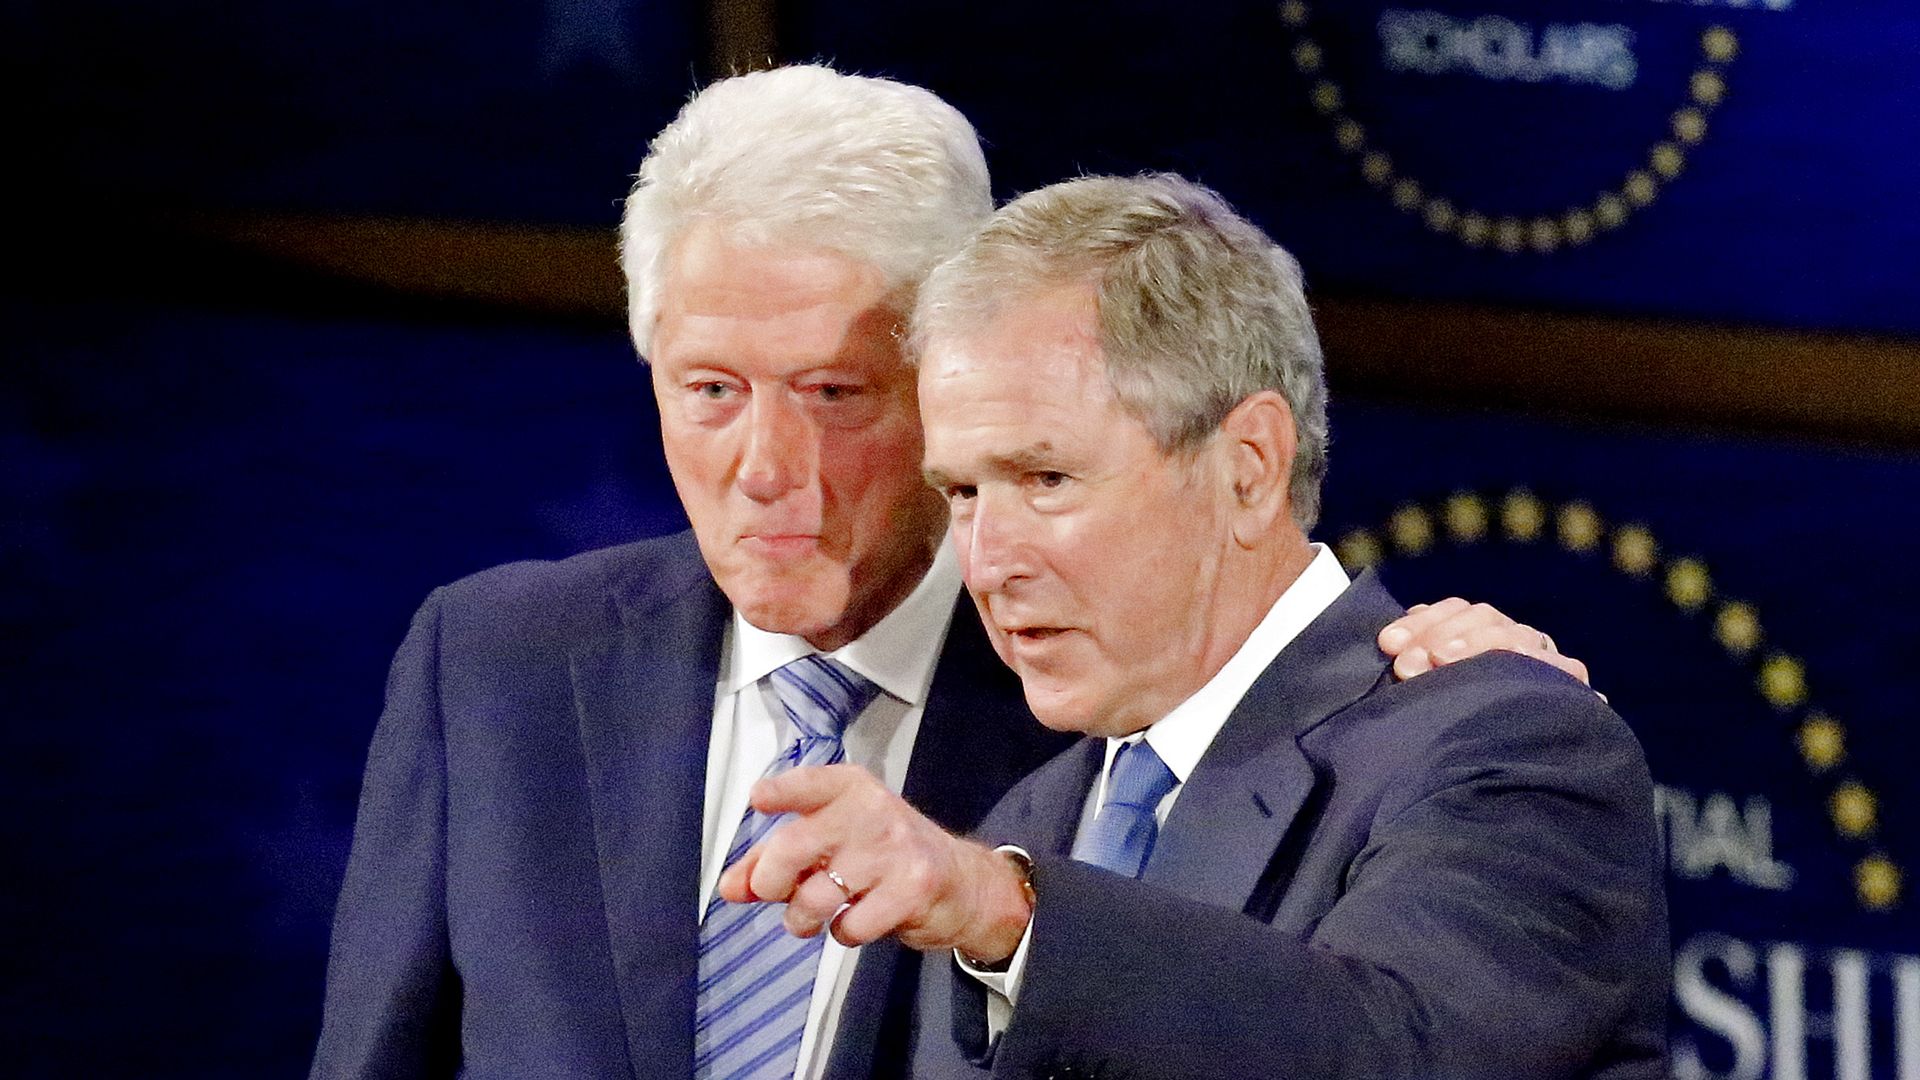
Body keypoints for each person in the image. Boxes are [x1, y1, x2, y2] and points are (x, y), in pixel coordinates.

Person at [310, 68, 1597, 1080]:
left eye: (833, 393)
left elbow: (1371, 1026)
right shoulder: (493, 665)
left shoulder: (1099, 724)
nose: (767, 467)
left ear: (956, 367)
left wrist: (994, 903)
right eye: (709, 391)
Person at [718, 173, 1667, 1079]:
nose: (989, 559)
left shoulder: (1505, 746)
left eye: (1047, 480)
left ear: (1249, 467)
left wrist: (1011, 916)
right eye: (963, 491)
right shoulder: (1035, 817)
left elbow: (1390, 1052)